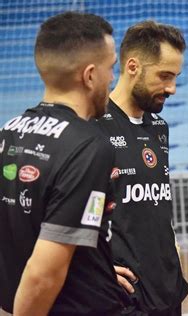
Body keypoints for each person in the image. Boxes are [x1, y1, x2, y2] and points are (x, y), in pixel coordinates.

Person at [0, 11, 124, 315]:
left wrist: (97, 266)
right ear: (90, 75)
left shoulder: (8, 131)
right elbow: (44, 274)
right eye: (112, 69)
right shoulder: (89, 146)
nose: (113, 79)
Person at [96, 21, 188, 315]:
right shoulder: (92, 127)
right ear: (133, 66)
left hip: (166, 288)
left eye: (175, 77)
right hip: (122, 295)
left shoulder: (159, 127)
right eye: (164, 76)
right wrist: (95, 271)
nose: (172, 88)